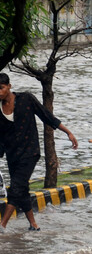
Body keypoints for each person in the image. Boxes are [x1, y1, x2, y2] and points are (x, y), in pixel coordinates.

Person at [0, 73, 78, 231]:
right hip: (12, 153)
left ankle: (2, 225)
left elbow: (46, 116)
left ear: (9, 86)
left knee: (15, 187)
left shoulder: (26, 99)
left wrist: (68, 132)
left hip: (30, 152)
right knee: (22, 189)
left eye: (1, 88)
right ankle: (33, 225)